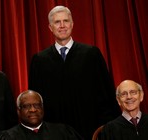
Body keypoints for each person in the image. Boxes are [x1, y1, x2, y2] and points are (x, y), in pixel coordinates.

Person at [28, 5, 121, 140]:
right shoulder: (39, 60)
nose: (62, 25)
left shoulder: (91, 54)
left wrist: (109, 126)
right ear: (50, 27)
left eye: (66, 21)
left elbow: (106, 92)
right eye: (57, 22)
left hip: (90, 128)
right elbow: (36, 100)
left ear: (72, 24)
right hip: (55, 132)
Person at [0, 90, 84, 140]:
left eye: (37, 105)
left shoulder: (63, 132)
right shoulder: (7, 137)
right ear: (18, 111)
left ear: (43, 108)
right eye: (26, 106)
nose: (33, 110)